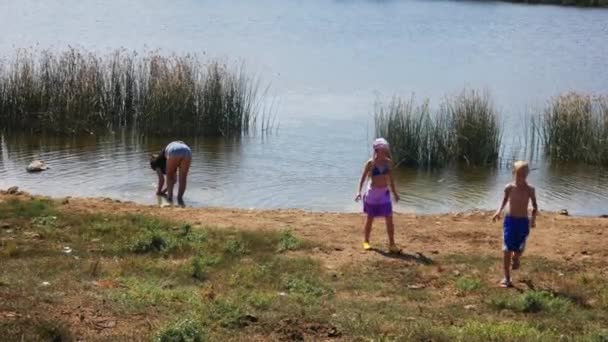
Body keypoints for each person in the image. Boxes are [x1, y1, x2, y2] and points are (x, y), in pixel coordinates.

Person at [492, 160, 538, 288]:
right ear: (513, 173)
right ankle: (507, 278)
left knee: (519, 248)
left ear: (527, 174)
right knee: (506, 250)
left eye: (524, 174)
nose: (521, 177)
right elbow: (504, 201)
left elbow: (534, 206)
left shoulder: (530, 189)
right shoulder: (509, 187)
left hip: (523, 222)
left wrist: (533, 219)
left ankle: (516, 258)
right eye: (518, 174)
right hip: (510, 221)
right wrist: (498, 212)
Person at [355, 138, 401, 253]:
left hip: (384, 194)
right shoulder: (370, 163)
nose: (384, 152)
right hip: (372, 195)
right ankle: (366, 241)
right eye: (381, 150)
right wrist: (358, 192)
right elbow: (363, 178)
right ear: (376, 150)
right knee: (370, 219)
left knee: (389, 219)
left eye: (385, 150)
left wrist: (395, 193)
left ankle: (392, 244)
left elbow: (391, 179)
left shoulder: (388, 162)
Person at [150, 141, 192, 206]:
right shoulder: (163, 156)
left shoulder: (156, 163)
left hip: (174, 151)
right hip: (187, 151)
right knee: (183, 178)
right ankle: (180, 200)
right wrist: (163, 191)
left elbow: (162, 180)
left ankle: (170, 199)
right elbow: (174, 180)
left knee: (169, 177)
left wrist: (158, 192)